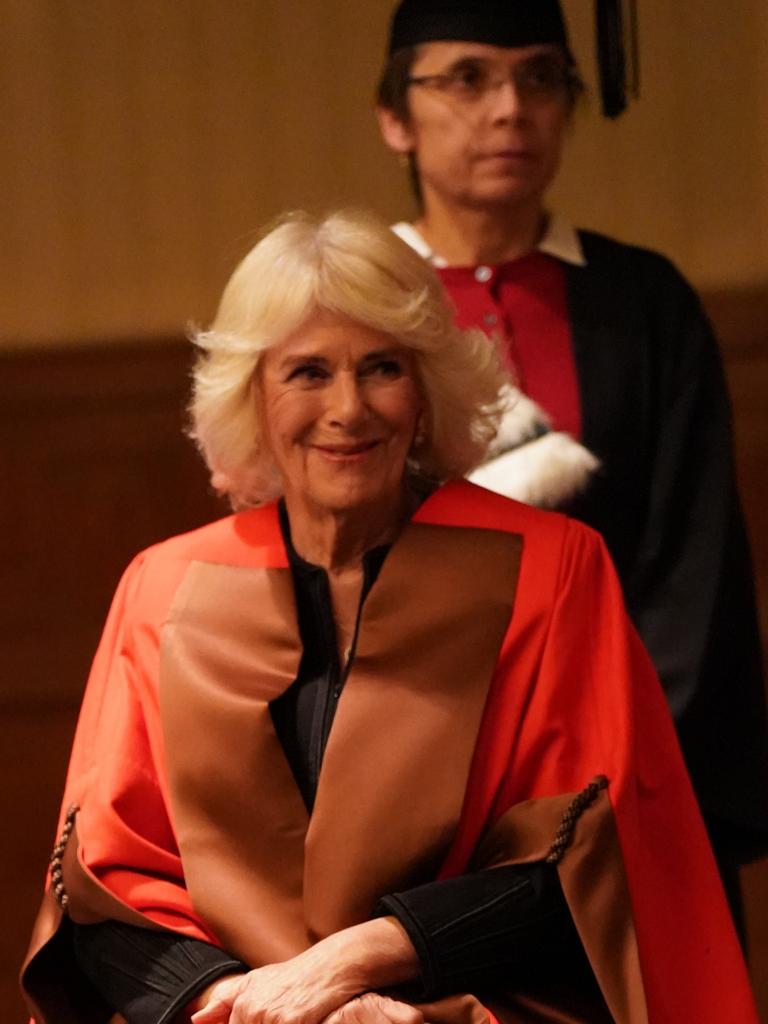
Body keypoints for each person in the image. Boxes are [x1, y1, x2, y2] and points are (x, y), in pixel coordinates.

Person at [21, 210, 757, 1024]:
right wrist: (241, 1002)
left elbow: (594, 859)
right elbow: (99, 883)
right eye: (307, 372)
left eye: (381, 368)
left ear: (426, 388)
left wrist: (361, 962)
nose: (349, 409)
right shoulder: (164, 589)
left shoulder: (551, 570)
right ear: (252, 396)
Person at [374, 0, 768, 926]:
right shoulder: (356, 306)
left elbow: (693, 569)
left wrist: (611, 775)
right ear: (395, 116)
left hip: (628, 779)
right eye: (467, 77)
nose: (511, 108)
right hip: (403, 793)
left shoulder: (643, 304)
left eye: (542, 76)